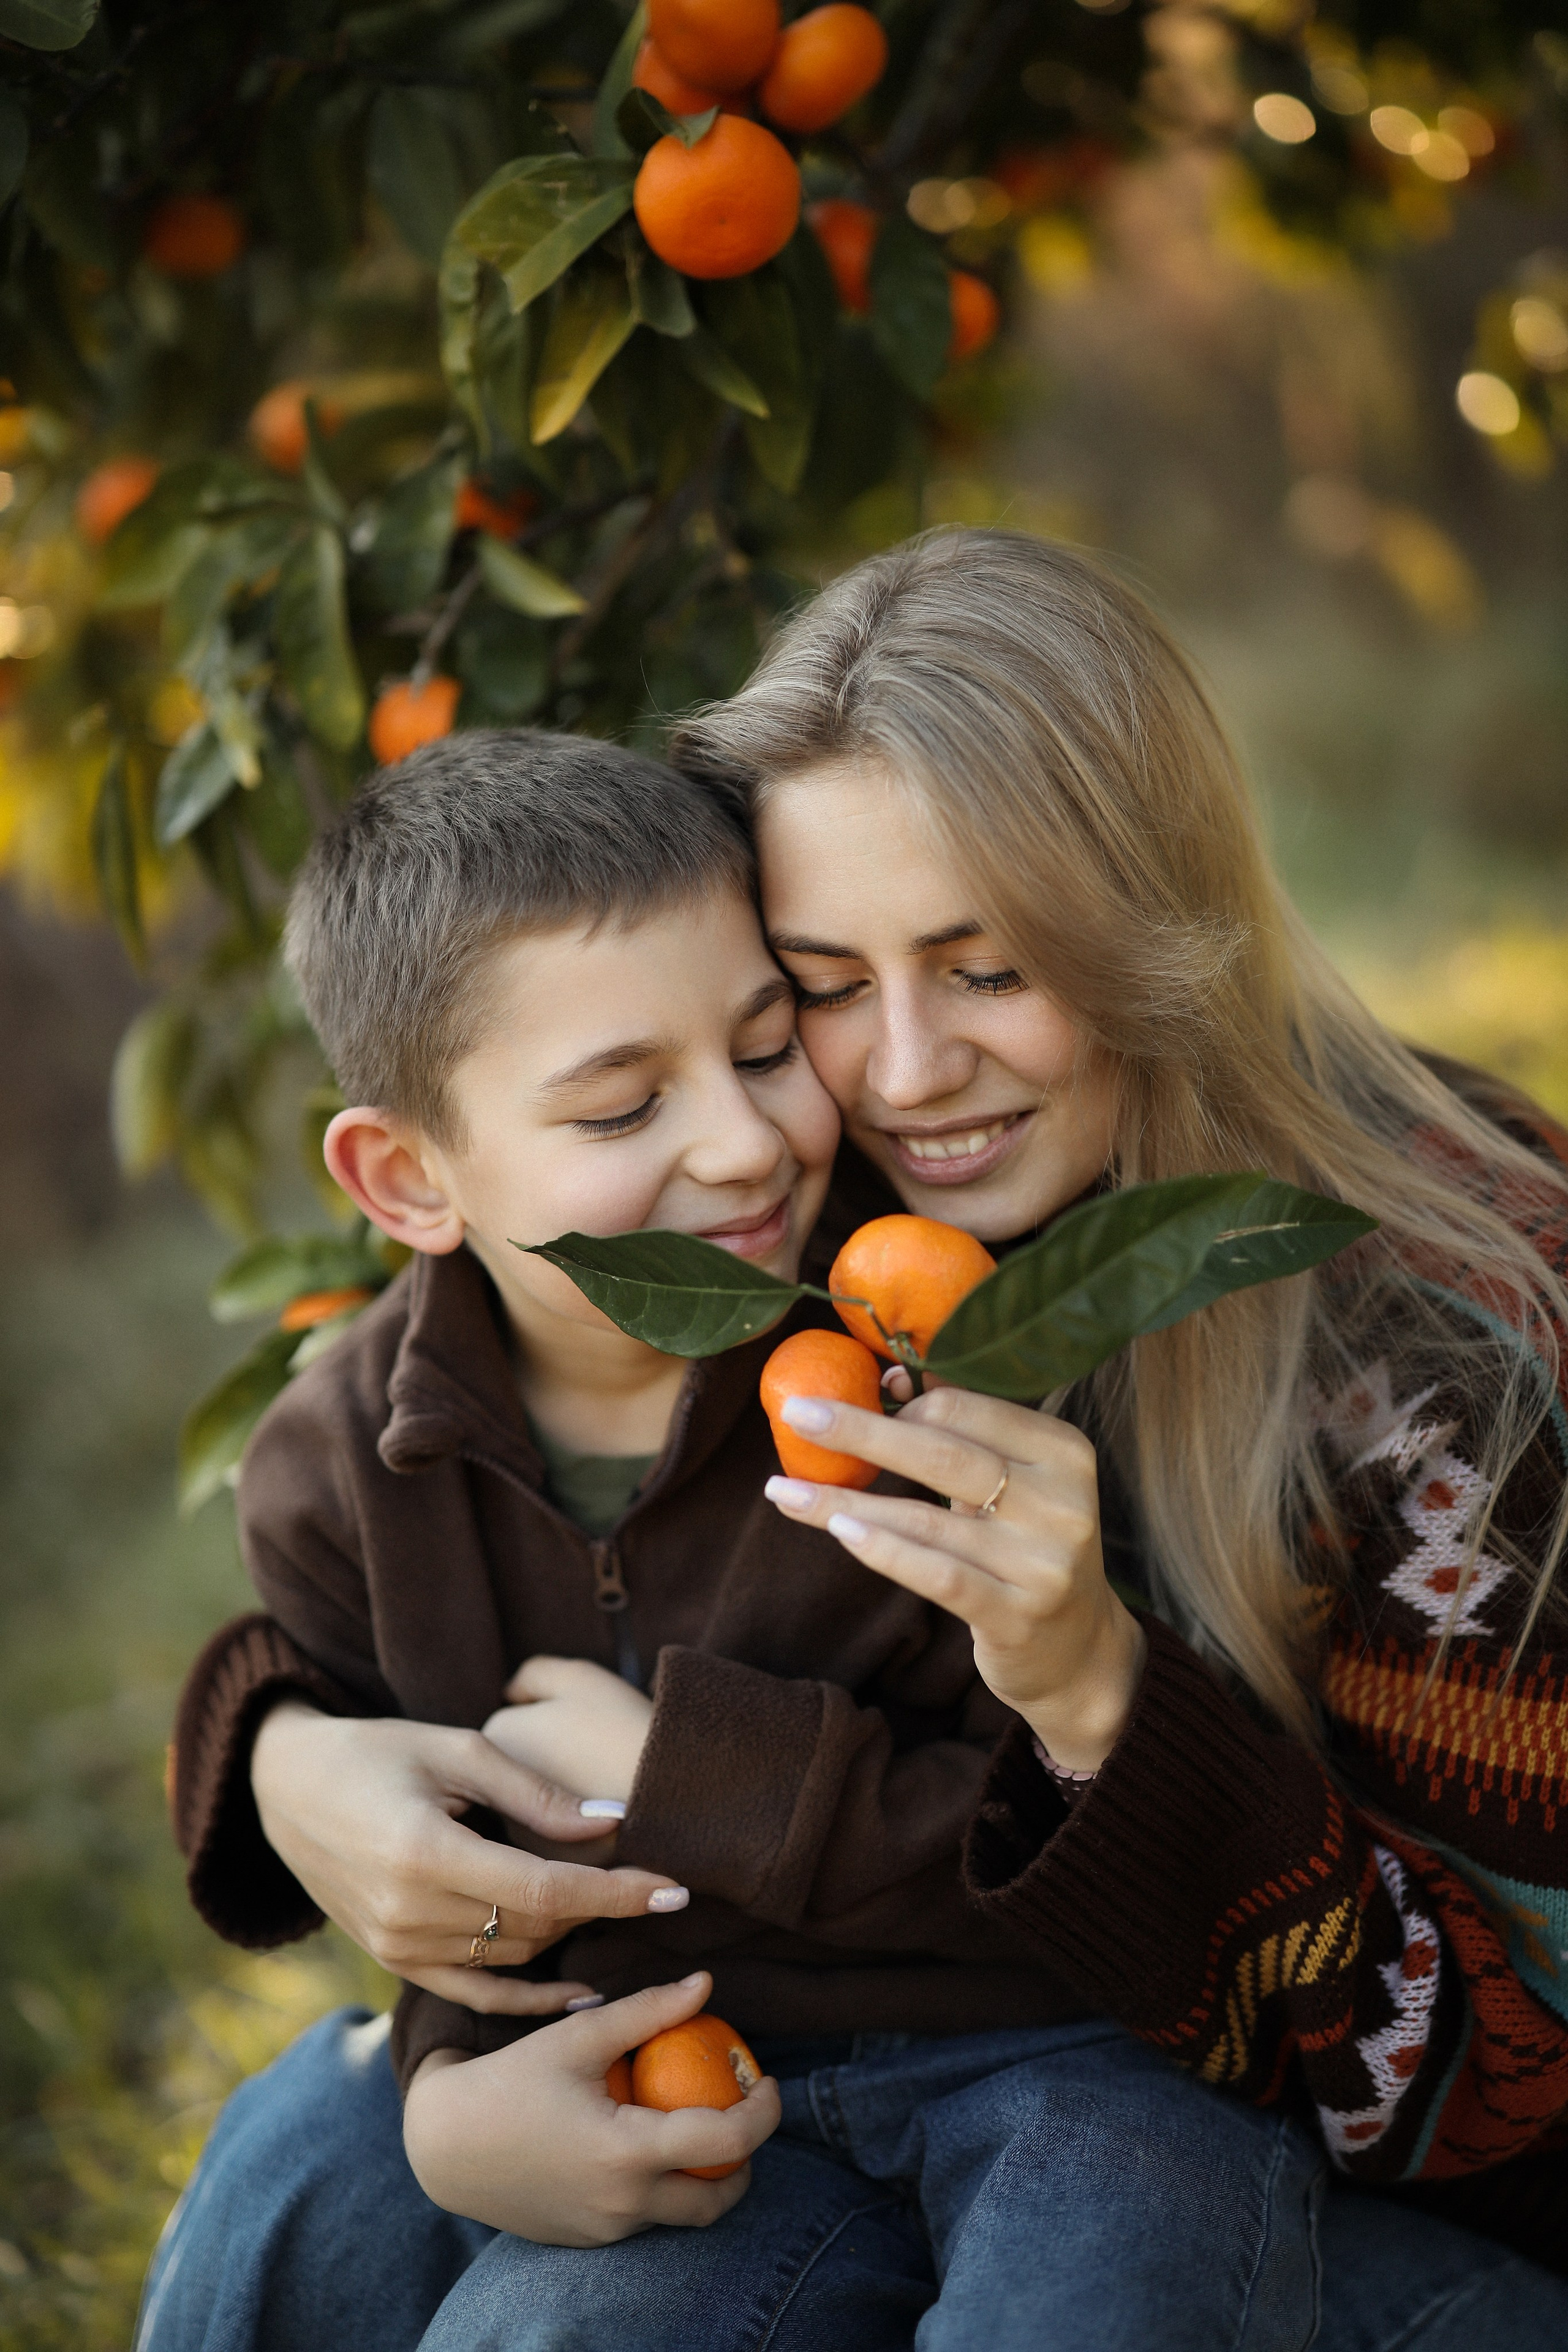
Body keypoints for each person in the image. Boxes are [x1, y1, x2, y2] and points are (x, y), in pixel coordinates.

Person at [140, 540, 1568, 2350]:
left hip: (1381, 2194)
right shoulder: (821, 1244)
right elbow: (473, 1468)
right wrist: (284, 1754)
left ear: (1154, 929)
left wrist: (1101, 1705)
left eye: (987, 969)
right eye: (822, 979)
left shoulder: (1444, 1347)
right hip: (799, 2060)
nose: (897, 1075)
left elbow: (1499, 2106)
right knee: (318, 2163)